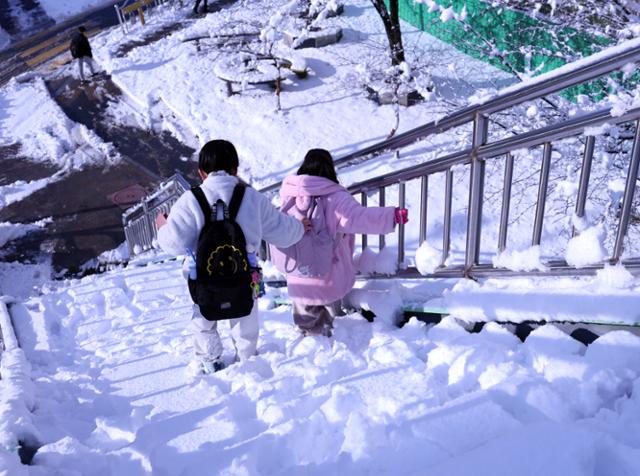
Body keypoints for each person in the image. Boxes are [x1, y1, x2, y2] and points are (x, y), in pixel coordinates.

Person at [156, 140, 306, 373]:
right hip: (245, 274)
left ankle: (210, 360)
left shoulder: (190, 200)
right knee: (245, 315)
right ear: (235, 170)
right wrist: (301, 227)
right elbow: (285, 233)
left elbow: (172, 244)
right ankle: (246, 359)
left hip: (202, 279)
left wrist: (163, 227)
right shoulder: (252, 198)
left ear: (201, 173)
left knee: (203, 318)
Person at [278, 148, 408, 337]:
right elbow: (358, 217)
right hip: (326, 276)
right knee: (327, 330)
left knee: (306, 328)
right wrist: (391, 216)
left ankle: (311, 349)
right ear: (330, 168)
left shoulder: (289, 196)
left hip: (298, 275)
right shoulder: (334, 196)